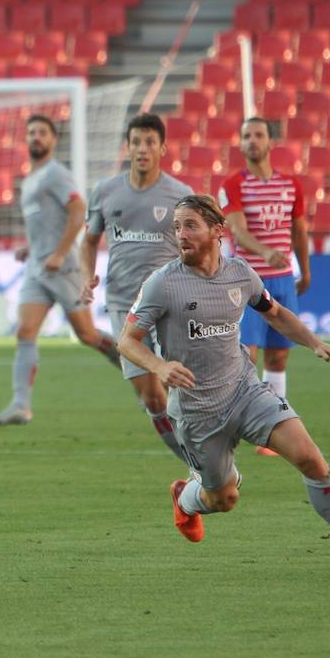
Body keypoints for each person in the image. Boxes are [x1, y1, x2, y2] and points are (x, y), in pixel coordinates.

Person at [118, 194, 330, 573]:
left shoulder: (241, 274)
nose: (181, 234)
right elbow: (127, 340)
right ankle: (186, 498)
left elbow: (275, 314)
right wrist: (159, 367)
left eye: (190, 225)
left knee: (312, 458)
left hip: (246, 393)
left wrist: (315, 342)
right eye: (177, 227)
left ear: (217, 231)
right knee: (223, 499)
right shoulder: (162, 284)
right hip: (198, 413)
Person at [0, 114, 122, 426]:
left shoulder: (55, 174)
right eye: (31, 132)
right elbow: (46, 223)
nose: (36, 137)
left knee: (87, 335)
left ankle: (132, 359)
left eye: (42, 133)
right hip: (37, 268)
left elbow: (77, 213)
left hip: (61, 268)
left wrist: (60, 253)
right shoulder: (31, 179)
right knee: (25, 331)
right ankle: (21, 406)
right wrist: (31, 248)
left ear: (52, 140)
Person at [81, 113, 193, 465]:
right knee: (152, 399)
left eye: (149, 142)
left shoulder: (181, 195)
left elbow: (198, 245)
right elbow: (89, 240)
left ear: (162, 148)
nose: (142, 149)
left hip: (170, 304)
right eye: (136, 142)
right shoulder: (105, 192)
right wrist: (87, 275)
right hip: (122, 307)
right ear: (127, 147)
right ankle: (193, 462)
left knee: (183, 388)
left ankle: (207, 462)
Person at [218, 116, 311, 401]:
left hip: (282, 280)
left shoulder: (291, 185)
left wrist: (305, 271)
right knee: (248, 355)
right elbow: (237, 230)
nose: (252, 141)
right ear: (241, 144)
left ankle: (274, 420)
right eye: (246, 136)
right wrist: (266, 252)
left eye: (258, 135)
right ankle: (242, 417)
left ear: (271, 142)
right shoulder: (232, 185)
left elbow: (299, 230)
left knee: (278, 357)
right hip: (249, 279)